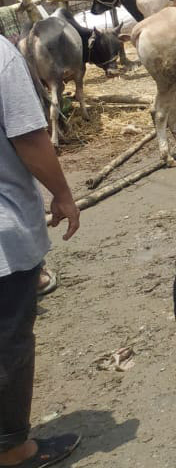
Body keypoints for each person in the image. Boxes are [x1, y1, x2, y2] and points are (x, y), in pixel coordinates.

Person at [0, 36, 81, 468]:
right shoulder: (1, 58)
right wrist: (63, 193)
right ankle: (12, 449)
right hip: (3, 235)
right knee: (8, 339)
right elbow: (31, 138)